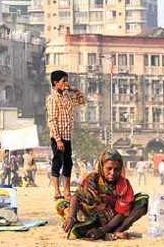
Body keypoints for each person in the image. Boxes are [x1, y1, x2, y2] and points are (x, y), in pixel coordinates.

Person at [58, 150, 148, 241]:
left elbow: (121, 213)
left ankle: (115, 232)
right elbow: (77, 197)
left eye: (116, 169)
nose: (112, 173)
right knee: (62, 204)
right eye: (109, 168)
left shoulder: (124, 185)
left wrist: (103, 230)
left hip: (114, 222)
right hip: (91, 218)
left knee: (142, 200)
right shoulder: (92, 179)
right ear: (102, 167)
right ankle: (98, 232)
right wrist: (71, 217)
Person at [46, 70, 86, 200]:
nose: (66, 84)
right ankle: (57, 191)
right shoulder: (52, 99)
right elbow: (52, 120)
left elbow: (81, 101)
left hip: (68, 135)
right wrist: (58, 140)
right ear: (55, 83)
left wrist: (74, 89)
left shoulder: (67, 96)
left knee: (68, 162)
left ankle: (67, 190)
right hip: (58, 136)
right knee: (57, 162)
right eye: (63, 81)